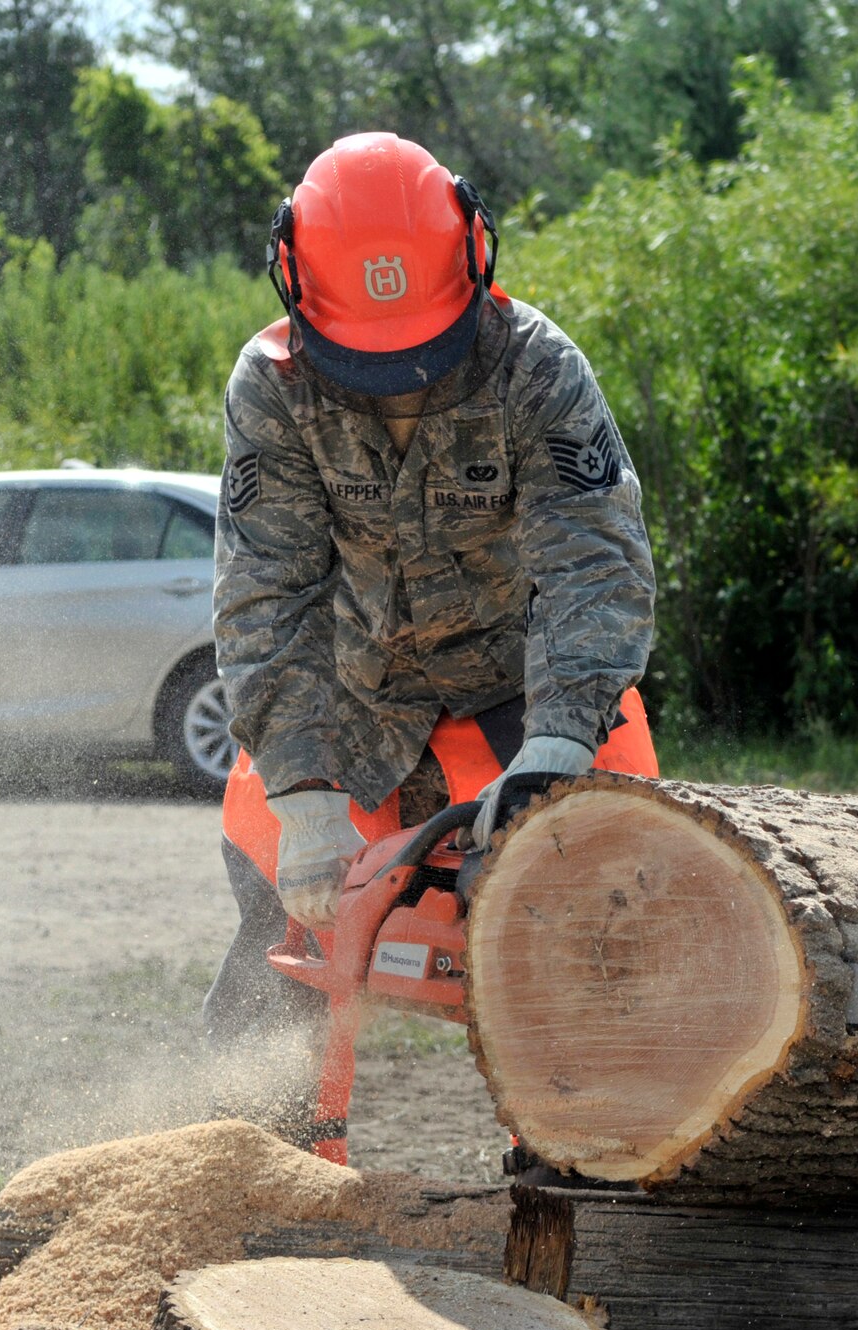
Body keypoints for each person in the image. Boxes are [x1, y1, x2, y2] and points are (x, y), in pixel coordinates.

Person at [204, 132, 659, 1147]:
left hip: (517, 692)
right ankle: (266, 1186)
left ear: (476, 262)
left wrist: (556, 747)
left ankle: (590, 1188)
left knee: (607, 924)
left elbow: (595, 564)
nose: (396, 382)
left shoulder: (537, 370)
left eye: (420, 353)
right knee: (275, 939)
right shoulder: (272, 383)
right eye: (368, 359)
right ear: (294, 282)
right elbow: (264, 591)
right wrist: (304, 794)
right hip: (347, 698)